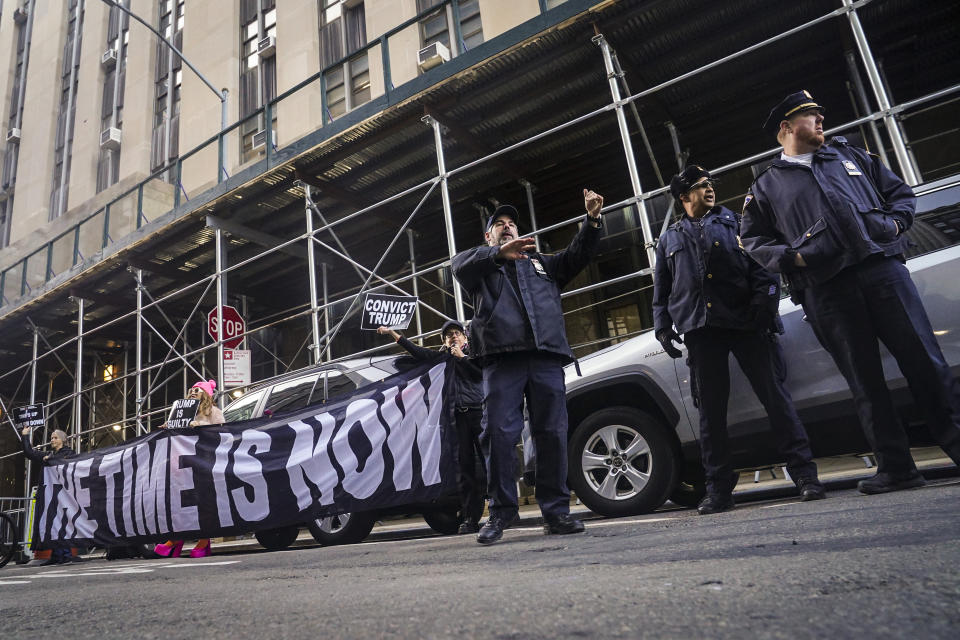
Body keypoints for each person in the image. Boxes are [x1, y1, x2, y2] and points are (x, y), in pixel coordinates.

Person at [741, 90, 960, 494]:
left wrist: (895, 225)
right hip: (828, 290)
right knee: (864, 380)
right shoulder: (767, 185)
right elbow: (752, 241)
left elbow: (900, 195)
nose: (821, 119)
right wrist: (796, 259)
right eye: (810, 115)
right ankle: (897, 468)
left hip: (882, 272)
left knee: (925, 363)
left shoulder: (851, 156)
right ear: (785, 130)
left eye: (820, 112)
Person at [653, 166, 826, 515]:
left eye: (710, 184)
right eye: (701, 187)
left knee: (775, 399)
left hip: (747, 325)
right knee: (711, 415)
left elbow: (764, 268)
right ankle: (718, 490)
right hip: (702, 330)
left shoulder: (736, 222)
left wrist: (763, 310)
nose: (710, 189)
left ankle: (806, 476)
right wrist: (663, 326)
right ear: (684, 196)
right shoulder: (669, 239)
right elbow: (663, 290)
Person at [452, 190, 604, 544]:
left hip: (546, 357)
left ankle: (557, 512)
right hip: (503, 360)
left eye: (511, 224)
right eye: (498, 225)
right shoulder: (480, 266)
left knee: (551, 434)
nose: (507, 228)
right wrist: (497, 255)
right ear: (488, 237)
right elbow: (458, 265)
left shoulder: (541, 265)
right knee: (500, 437)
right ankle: (501, 513)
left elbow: (577, 255)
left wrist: (592, 221)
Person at [378, 320, 486, 534]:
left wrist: (462, 358)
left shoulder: (474, 353)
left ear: (465, 337)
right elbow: (417, 352)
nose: (453, 337)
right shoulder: (442, 359)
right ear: (444, 342)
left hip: (479, 413)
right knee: (465, 469)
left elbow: (479, 374)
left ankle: (504, 510)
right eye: (448, 335)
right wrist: (393, 334)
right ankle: (470, 519)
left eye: (456, 333)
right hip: (458, 418)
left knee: (491, 462)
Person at [154, 380, 225, 558]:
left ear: (206, 394)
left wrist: (201, 427)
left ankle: (203, 541)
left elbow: (222, 432)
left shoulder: (214, 412)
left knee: (203, 502)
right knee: (182, 504)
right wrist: (168, 427)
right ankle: (177, 539)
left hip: (203, 463)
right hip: (182, 465)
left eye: (197, 390)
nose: (193, 392)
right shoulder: (182, 412)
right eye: (191, 390)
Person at [21, 426, 76, 565]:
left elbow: (68, 465)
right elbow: (29, 453)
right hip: (49, 495)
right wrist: (25, 435)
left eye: (55, 437)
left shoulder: (69, 454)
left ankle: (66, 555)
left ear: (63, 440)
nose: (52, 440)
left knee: (63, 523)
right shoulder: (49, 455)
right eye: (51, 438)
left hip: (64, 496)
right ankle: (56, 556)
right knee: (52, 524)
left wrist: (51, 459)